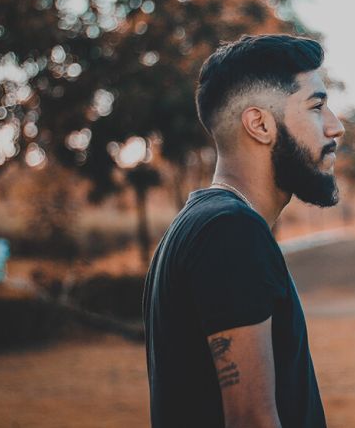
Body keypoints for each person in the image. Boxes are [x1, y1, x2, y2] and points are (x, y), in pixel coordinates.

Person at [142, 34, 344, 428]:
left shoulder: (203, 224)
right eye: (317, 107)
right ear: (260, 124)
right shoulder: (229, 231)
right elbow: (252, 420)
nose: (335, 127)